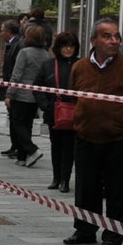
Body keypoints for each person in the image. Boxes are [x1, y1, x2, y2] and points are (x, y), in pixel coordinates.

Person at [63, 18, 123, 245]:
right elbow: (74, 96)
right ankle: (85, 229)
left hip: (119, 138)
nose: (114, 41)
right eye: (107, 36)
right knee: (87, 186)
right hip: (86, 136)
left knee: (119, 189)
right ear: (93, 40)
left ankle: (114, 234)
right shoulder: (79, 67)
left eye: (117, 36)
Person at [6, 24, 51, 168]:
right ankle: (22, 156)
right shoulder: (45, 54)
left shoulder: (24, 52)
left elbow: (17, 74)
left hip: (21, 94)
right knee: (28, 125)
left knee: (17, 123)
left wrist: (9, 93)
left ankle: (32, 150)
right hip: (36, 95)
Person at [45, 32, 81, 192]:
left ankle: (65, 180)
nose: (68, 49)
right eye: (64, 46)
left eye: (71, 46)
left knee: (69, 147)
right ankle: (56, 177)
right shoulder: (49, 65)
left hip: (75, 112)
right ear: (58, 47)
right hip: (54, 112)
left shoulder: (80, 65)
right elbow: (38, 85)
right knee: (55, 146)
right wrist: (45, 105)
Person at [0, 19, 22, 151]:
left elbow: (15, 69)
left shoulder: (17, 45)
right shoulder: (13, 45)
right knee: (12, 117)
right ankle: (14, 145)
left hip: (15, 87)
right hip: (9, 84)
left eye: (2, 31)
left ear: (8, 32)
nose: (1, 34)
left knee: (15, 118)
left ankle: (19, 146)